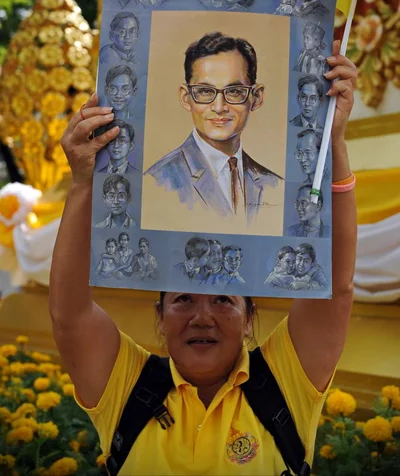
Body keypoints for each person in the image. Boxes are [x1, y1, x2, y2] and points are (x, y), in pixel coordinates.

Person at [50, 40, 358, 475]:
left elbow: (336, 287)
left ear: (251, 314)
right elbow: (69, 315)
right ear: (158, 313)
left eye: (223, 300)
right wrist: (83, 182)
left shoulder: (283, 386)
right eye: (183, 300)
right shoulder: (129, 390)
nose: (202, 316)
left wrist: (336, 141)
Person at [145, 32, 282, 222]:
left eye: (234, 91)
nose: (219, 107)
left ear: (256, 98)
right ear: (186, 98)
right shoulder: (159, 181)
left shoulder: (273, 184)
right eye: (204, 91)